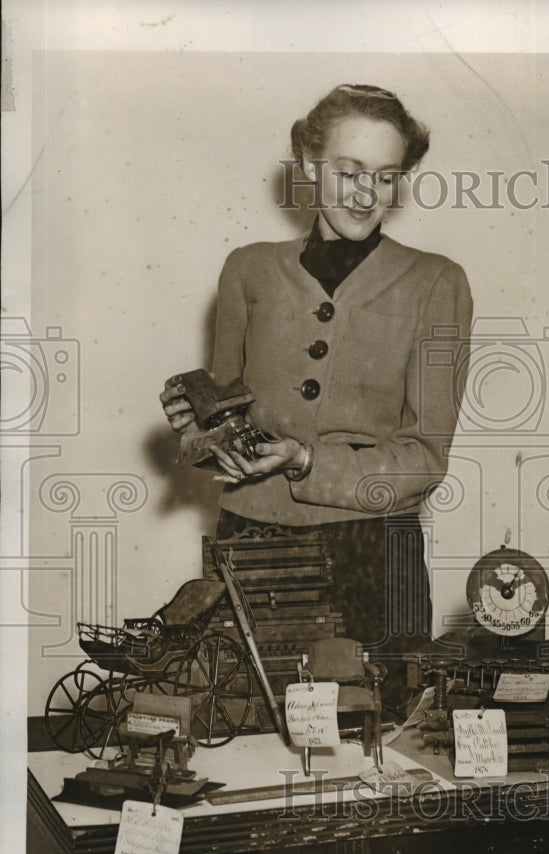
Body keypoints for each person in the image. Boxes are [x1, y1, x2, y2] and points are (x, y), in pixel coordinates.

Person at [160, 83, 473, 656]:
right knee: (248, 714)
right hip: (253, 541)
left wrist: (305, 460)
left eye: (385, 176)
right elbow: (222, 426)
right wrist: (195, 423)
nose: (365, 194)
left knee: (378, 725)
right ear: (307, 162)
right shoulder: (247, 270)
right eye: (349, 171)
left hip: (375, 551)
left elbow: (425, 458)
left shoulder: (437, 282)